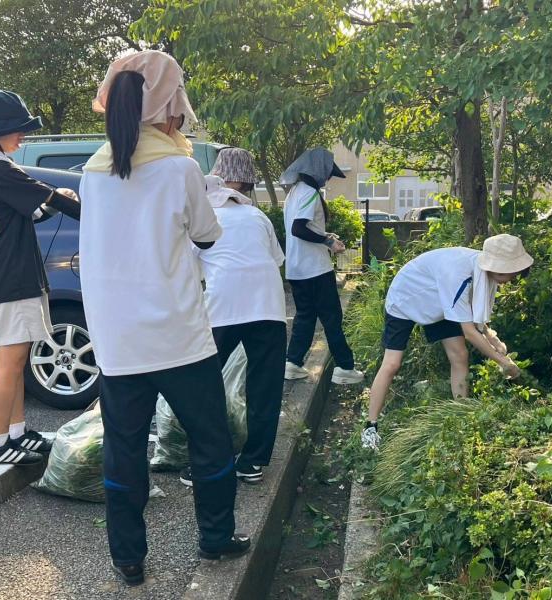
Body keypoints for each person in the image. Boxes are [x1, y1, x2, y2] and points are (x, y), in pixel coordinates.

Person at [78, 51, 249, 586]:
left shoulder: (92, 170)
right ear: (169, 106)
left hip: (117, 342)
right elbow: (206, 234)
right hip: (177, 337)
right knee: (210, 440)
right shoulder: (180, 167)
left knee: (124, 449)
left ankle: (128, 559)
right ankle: (216, 538)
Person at [0, 90, 81, 467]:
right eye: (16, 129)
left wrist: (52, 198)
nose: (22, 136)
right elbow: (55, 201)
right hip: (10, 277)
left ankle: (16, 433)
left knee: (16, 359)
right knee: (10, 361)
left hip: (10, 274)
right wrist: (84, 204)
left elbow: (33, 211)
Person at [361, 234, 533, 450]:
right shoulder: (459, 274)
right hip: (407, 298)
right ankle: (370, 426)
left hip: (440, 304)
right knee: (392, 364)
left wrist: (491, 336)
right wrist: (503, 362)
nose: (511, 279)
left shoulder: (483, 274)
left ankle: (460, 416)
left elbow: (469, 310)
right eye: (511, 273)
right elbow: (470, 332)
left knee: (460, 355)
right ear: (498, 266)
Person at [185, 146, 285, 485]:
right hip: (268, 307)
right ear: (248, 182)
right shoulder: (258, 216)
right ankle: (253, 462)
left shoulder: (204, 216)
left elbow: (187, 268)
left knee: (204, 385)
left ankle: (207, 461)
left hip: (222, 307)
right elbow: (276, 261)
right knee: (264, 386)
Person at [281, 148, 364, 385]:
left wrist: (324, 235)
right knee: (332, 318)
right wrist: (327, 241)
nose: (327, 179)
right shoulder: (309, 193)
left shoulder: (294, 192)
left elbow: (299, 229)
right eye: (328, 174)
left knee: (305, 317)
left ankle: (293, 363)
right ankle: (345, 368)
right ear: (318, 171)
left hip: (297, 269)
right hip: (315, 269)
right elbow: (299, 229)